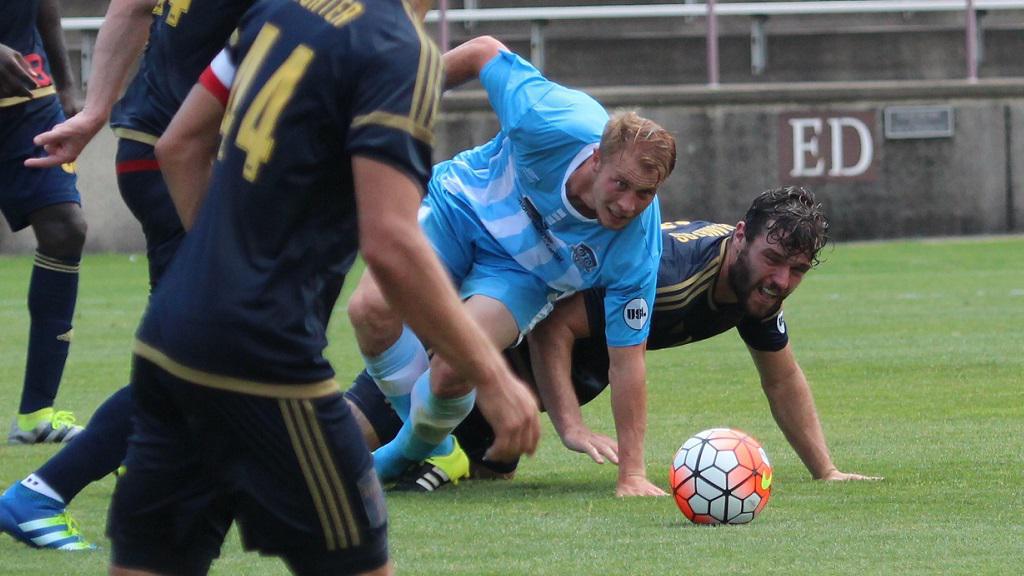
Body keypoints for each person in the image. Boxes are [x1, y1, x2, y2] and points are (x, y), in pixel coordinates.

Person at [105, 0, 539, 573]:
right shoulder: (397, 50)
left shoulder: (279, 11)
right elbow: (390, 242)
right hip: (265, 357)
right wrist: (491, 376)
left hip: (172, 332)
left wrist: (216, 265)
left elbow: (177, 146)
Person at [345, 186, 882, 496]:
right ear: (740, 236)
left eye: (798, 270)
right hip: (476, 351)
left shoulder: (755, 287)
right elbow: (555, 326)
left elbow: (781, 376)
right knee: (337, 449)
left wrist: (826, 471)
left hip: (534, 387)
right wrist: (576, 431)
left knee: (468, 495)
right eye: (774, 261)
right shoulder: (671, 274)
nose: (782, 281)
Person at [347, 35, 677, 484]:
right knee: (370, 310)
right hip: (459, 207)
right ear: (597, 159)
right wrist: (404, 99)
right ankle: (436, 448)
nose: (628, 205)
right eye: (621, 184)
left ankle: (411, 451)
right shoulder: (550, 119)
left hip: (521, 274)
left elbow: (628, 360)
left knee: (453, 371)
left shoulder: (636, 246)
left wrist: (633, 474)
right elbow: (484, 50)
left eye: (645, 193)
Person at [1, 0, 256, 551]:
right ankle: (43, 491)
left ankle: (142, 455)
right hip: (183, 158)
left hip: (154, 148)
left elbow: (132, 6)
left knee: (208, 340)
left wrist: (93, 110)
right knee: (208, 345)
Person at [1, 0, 88, 445]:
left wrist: (68, 85)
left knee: (65, 228)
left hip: (26, 99)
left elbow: (44, 6)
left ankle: (37, 413)